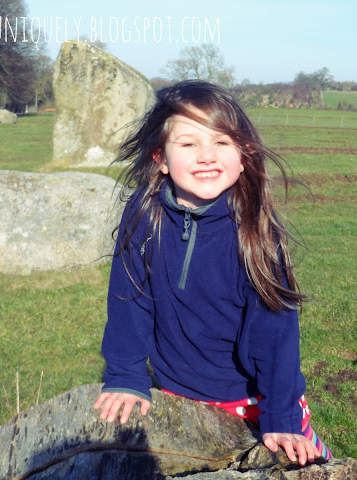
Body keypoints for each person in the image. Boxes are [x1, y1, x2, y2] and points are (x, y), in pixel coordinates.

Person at [94, 80, 331, 466]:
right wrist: (126, 375)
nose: (207, 155)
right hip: (178, 396)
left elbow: (276, 336)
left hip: (252, 400)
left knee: (314, 470)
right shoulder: (144, 212)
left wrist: (282, 417)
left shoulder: (254, 232)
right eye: (189, 144)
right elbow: (129, 298)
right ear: (161, 158)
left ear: (244, 155)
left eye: (222, 142)